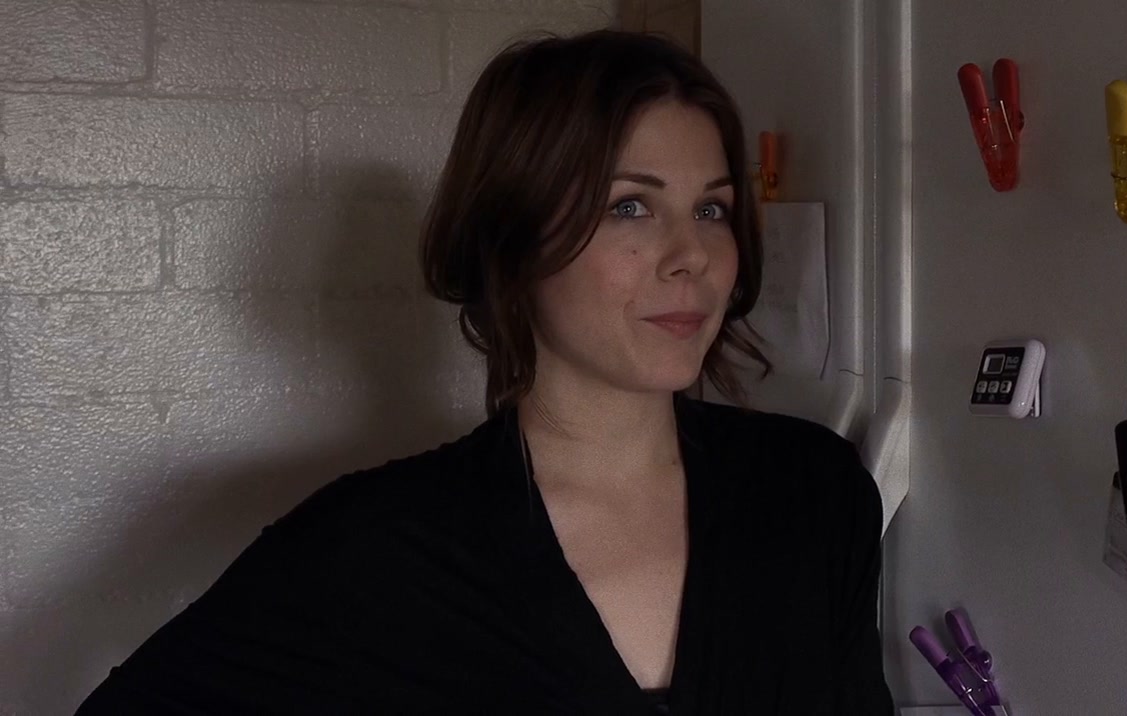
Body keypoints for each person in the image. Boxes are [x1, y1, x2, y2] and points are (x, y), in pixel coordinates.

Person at [77, 30, 893, 714]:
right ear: (514, 237)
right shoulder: (377, 549)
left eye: (711, 209)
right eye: (629, 206)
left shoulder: (813, 492)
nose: (693, 256)